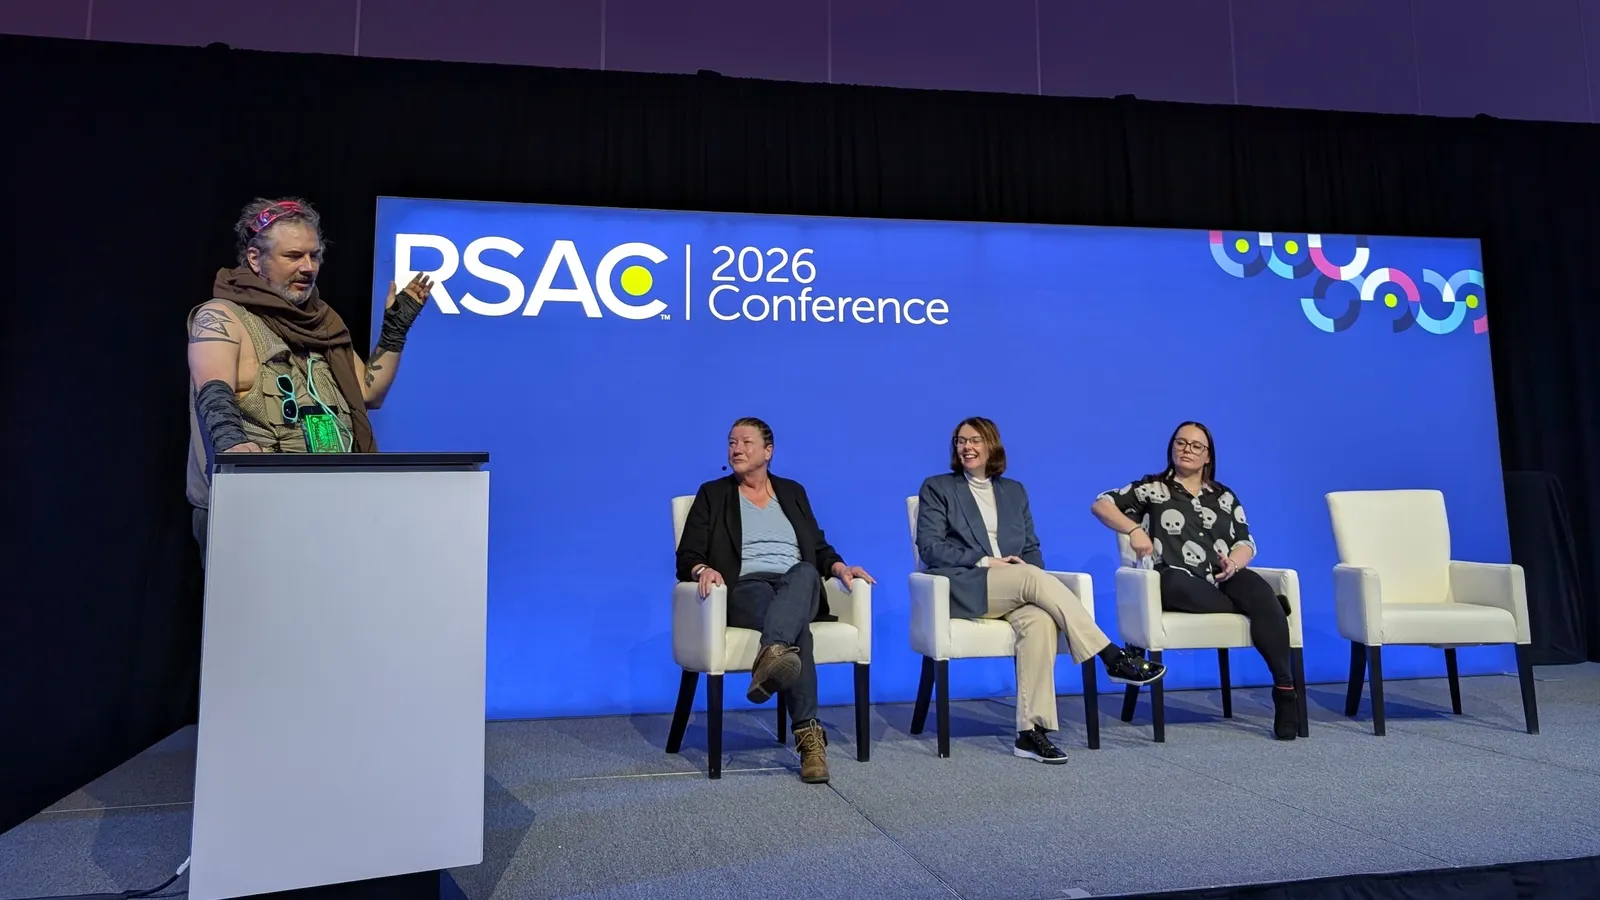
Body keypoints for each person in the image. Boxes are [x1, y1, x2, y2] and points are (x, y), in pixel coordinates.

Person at [185, 197, 432, 559]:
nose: (308, 267)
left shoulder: (322, 323)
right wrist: (232, 446)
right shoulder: (221, 316)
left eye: (314, 256)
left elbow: (369, 394)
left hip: (330, 504)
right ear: (255, 258)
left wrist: (394, 331)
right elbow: (213, 388)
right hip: (255, 509)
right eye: (293, 256)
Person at [916, 417, 1165, 764]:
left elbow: (1031, 548)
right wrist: (988, 561)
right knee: (1031, 578)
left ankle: (1030, 732)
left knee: (1041, 621)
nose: (966, 447)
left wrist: (1024, 568)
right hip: (966, 584)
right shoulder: (938, 487)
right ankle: (1111, 656)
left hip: (1016, 587)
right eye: (960, 441)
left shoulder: (1014, 491)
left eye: (974, 440)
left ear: (991, 445)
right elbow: (930, 548)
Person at [675, 417, 875, 784]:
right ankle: (810, 742)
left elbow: (818, 547)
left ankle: (771, 654)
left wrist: (841, 567)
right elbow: (687, 554)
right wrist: (703, 569)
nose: (736, 448)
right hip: (745, 588)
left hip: (797, 583)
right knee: (798, 632)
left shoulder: (793, 492)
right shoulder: (713, 494)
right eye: (731, 442)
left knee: (805, 572)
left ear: (768, 451)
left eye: (745, 442)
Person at [1090, 421, 1298, 740]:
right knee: (1177, 584)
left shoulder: (1224, 495)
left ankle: (1285, 690)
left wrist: (1234, 562)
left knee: (1256, 587)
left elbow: (1246, 542)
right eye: (1181, 443)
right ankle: (1269, 607)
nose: (1187, 450)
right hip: (1175, 577)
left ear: (1208, 456)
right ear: (1172, 447)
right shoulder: (1152, 488)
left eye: (1196, 446)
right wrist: (1133, 529)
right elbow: (1101, 504)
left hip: (1222, 577)